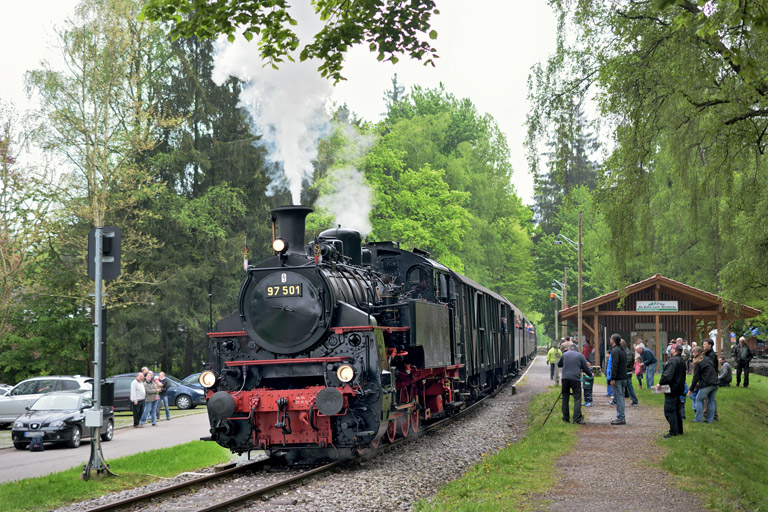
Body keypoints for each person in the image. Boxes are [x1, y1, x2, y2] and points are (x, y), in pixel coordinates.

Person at [557, 342, 592, 424]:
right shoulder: (580, 356)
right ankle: (576, 419)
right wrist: (590, 375)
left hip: (565, 378)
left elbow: (559, 364)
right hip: (575, 379)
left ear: (569, 349)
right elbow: (586, 368)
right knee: (577, 398)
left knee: (565, 398)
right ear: (577, 350)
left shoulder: (565, 355)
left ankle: (566, 418)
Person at [657, 343, 686, 438]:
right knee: (677, 410)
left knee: (669, 411)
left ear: (674, 350)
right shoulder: (681, 361)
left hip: (672, 389)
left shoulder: (673, 361)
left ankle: (673, 431)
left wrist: (660, 383)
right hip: (679, 388)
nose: (670, 350)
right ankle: (679, 430)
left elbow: (668, 375)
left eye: (671, 348)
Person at [689, 345, 719, 423]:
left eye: (693, 352)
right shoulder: (707, 359)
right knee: (711, 401)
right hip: (715, 383)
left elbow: (695, 378)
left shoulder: (698, 363)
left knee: (699, 400)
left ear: (696, 353)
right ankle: (710, 420)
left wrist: (691, 389)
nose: (692, 354)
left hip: (707, 384)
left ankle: (698, 419)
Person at [609, 333, 627, 425]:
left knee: (619, 397)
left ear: (613, 340)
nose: (610, 340)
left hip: (618, 378)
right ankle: (621, 416)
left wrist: (612, 378)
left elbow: (614, 365)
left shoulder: (615, 351)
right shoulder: (622, 350)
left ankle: (620, 417)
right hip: (623, 376)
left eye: (611, 338)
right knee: (621, 397)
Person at [621, 339, 639, 406]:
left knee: (622, 387)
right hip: (629, 371)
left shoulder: (623, 352)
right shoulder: (630, 352)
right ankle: (634, 401)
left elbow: (625, 363)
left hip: (625, 372)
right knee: (629, 387)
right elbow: (631, 362)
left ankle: (618, 401)